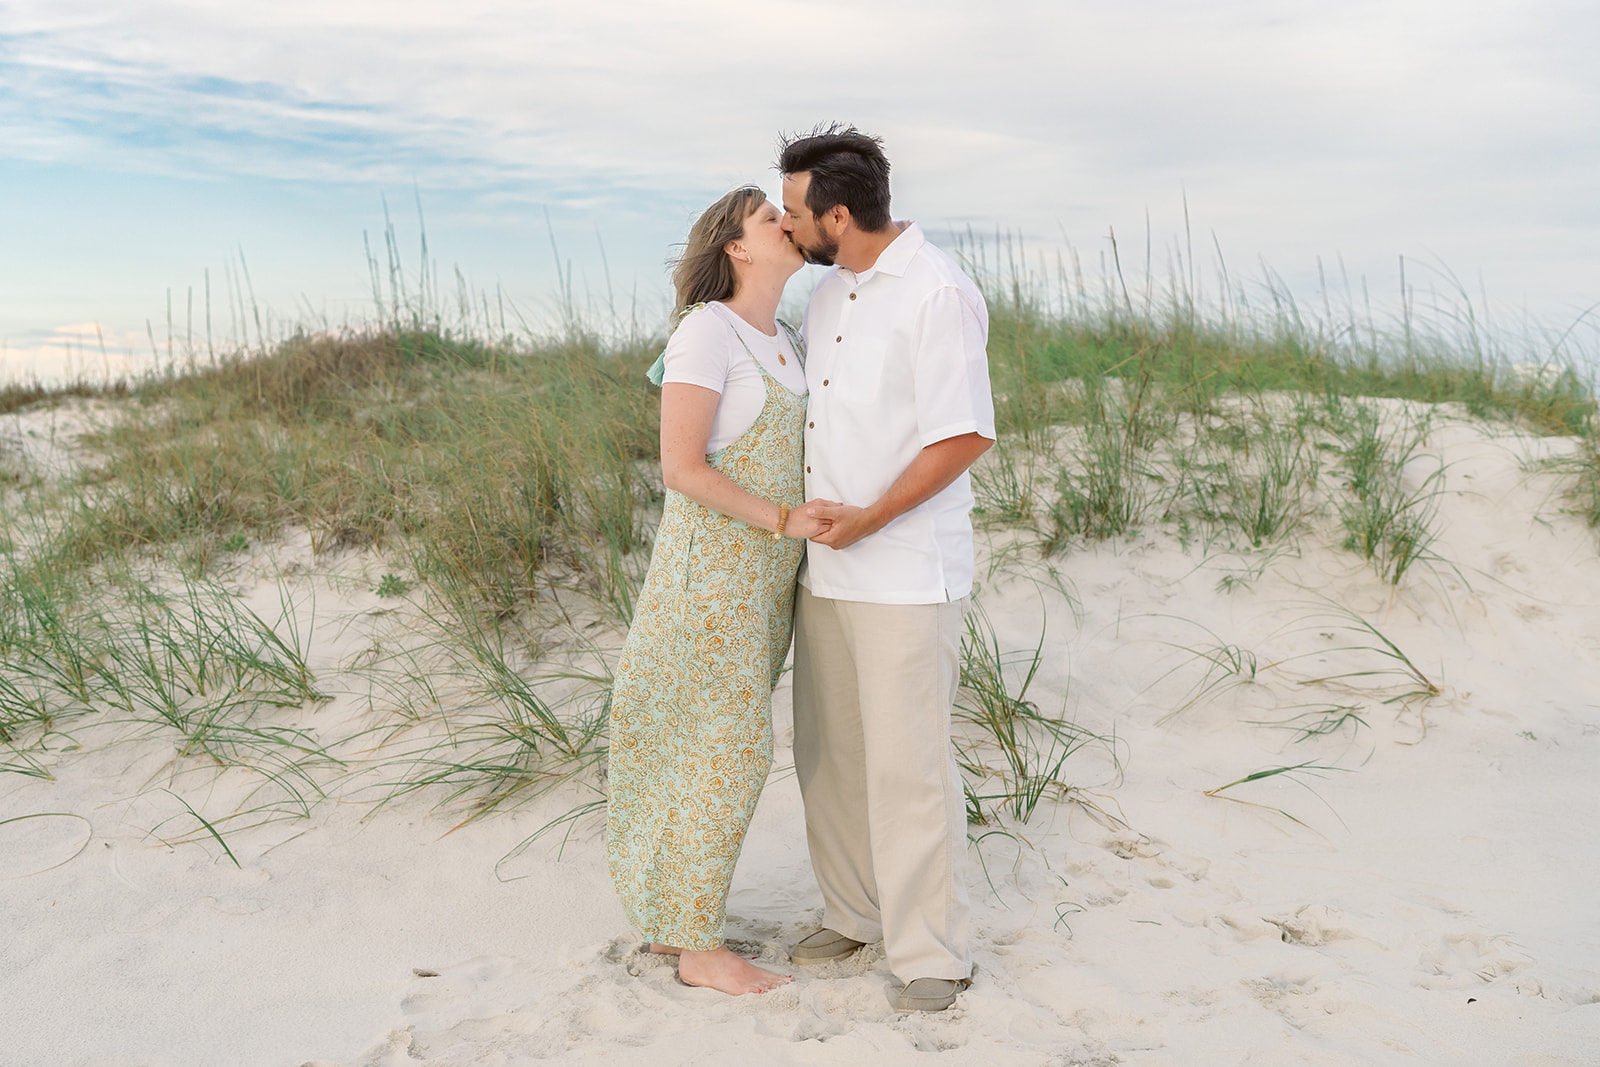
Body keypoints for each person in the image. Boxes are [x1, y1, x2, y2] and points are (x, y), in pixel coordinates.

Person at [777, 126, 995, 1013]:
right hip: (824, 572)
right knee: (830, 757)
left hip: (903, 569)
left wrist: (871, 517)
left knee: (907, 767)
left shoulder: (937, 292)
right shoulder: (829, 290)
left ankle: (928, 949)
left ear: (838, 213)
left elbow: (964, 435)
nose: (785, 225)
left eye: (795, 212)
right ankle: (855, 913)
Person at [606, 186, 834, 996]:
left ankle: (678, 919)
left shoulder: (788, 338)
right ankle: (699, 945)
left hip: (765, 583)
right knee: (732, 752)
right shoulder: (708, 331)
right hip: (712, 578)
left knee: (715, 748)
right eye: (772, 219)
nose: (789, 224)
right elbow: (682, 467)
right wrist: (783, 519)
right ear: (738, 247)